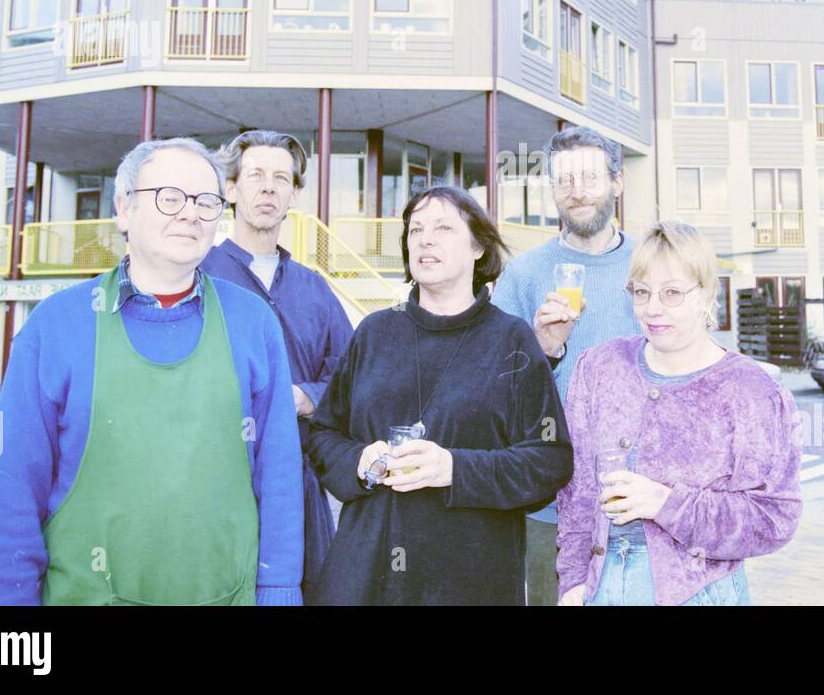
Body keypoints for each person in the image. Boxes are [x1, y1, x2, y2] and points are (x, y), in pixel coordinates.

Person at [0, 137, 304, 605]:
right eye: (170, 197)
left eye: (207, 202)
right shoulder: (56, 326)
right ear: (124, 209)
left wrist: (279, 590)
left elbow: (279, 478)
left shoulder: (254, 323)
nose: (190, 213)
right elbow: (12, 496)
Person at [307, 185, 573, 605]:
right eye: (415, 229)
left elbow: (549, 461)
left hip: (470, 576)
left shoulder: (511, 340)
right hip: (366, 573)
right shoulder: (375, 332)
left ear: (479, 248)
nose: (425, 239)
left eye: (443, 228)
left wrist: (454, 468)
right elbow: (323, 435)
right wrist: (359, 462)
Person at [556, 221, 803, 606]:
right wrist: (572, 580)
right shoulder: (600, 367)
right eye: (641, 292)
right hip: (598, 586)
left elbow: (774, 518)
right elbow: (577, 490)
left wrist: (667, 504)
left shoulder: (752, 392)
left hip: (701, 592)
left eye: (672, 293)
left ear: (707, 295)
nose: (653, 308)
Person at [491, 125, 641, 605]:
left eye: (590, 178)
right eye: (564, 180)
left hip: (647, 493)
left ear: (617, 184)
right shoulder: (523, 275)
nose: (577, 192)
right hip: (551, 503)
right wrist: (544, 349)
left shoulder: (651, 265)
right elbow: (493, 389)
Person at [200, 129, 353, 600]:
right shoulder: (198, 275)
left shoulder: (314, 288)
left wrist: (308, 397)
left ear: (294, 194)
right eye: (256, 175)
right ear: (230, 189)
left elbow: (354, 375)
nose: (268, 187)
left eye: (281, 178)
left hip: (299, 492)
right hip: (213, 483)